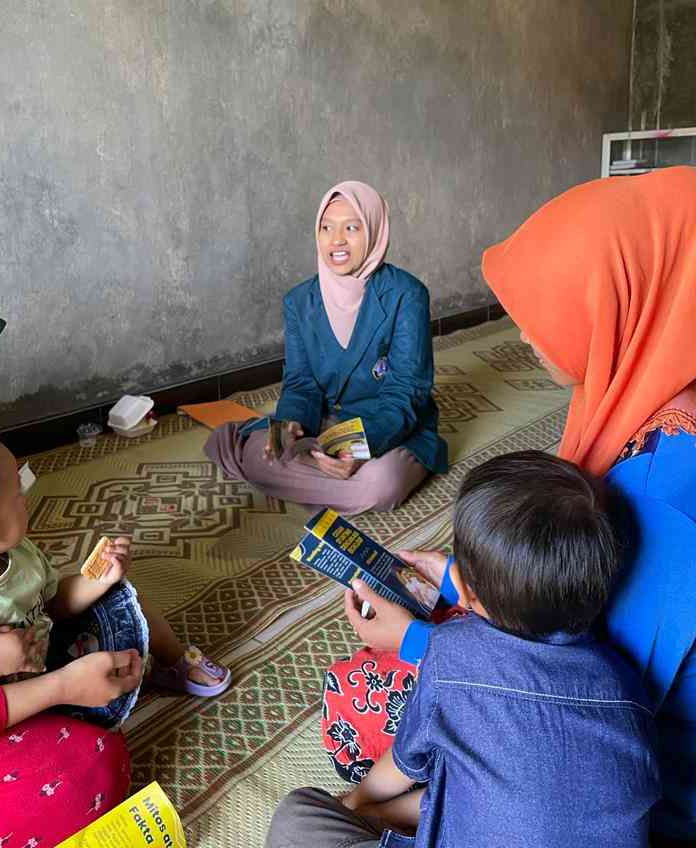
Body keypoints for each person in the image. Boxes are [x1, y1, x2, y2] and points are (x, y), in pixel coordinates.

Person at [323, 167, 696, 846]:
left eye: (542, 316)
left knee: (361, 697)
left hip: (646, 782)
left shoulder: (665, 500)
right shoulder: (655, 392)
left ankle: (430, 809)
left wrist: (412, 641)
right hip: (582, 706)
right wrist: (463, 580)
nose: (524, 339)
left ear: (620, 304)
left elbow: (584, 706)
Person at [269, 451, 659, 848]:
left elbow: (403, 766)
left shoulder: (450, 652)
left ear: (466, 589)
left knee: (298, 814)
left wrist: (352, 805)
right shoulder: (626, 686)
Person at [0, 269, 136, 845]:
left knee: (122, 611)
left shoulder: (3, 547)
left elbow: (52, 599)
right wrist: (54, 689)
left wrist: (91, 584)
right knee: (84, 770)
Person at [0, 435, 231, 707]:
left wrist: (97, 580)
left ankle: (173, 660)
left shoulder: (19, 554)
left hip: (58, 650)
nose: (27, 499)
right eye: (18, 494)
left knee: (120, 594)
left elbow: (55, 603)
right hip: (18, 702)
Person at [206, 181, 447, 515]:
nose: (337, 241)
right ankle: (326, 474)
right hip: (322, 422)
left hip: (384, 425)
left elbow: (407, 391)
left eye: (352, 227)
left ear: (375, 230)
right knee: (261, 452)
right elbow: (301, 383)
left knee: (382, 484)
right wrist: (289, 425)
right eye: (326, 227)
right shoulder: (299, 301)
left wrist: (358, 447)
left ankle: (317, 474)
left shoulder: (407, 294)